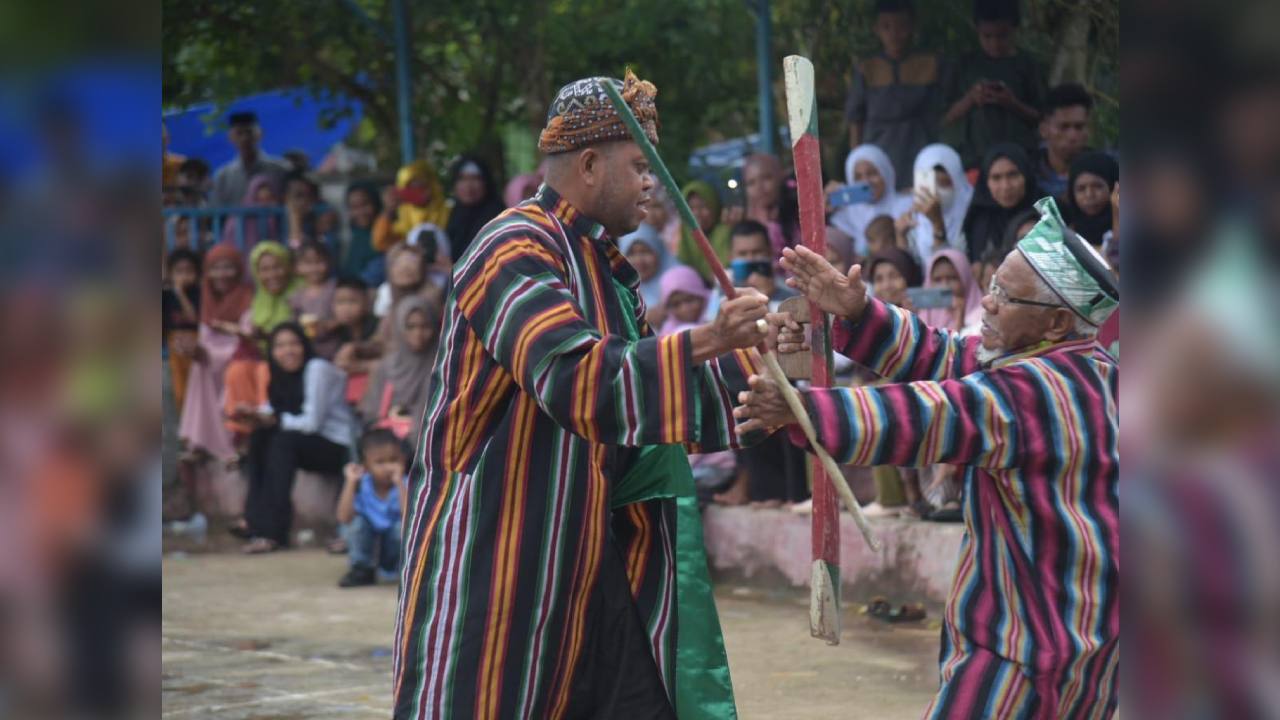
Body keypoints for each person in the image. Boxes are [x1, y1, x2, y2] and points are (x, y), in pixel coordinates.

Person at [394, 71, 770, 719]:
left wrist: (774, 369)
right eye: (640, 164)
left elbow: (647, 401)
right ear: (590, 164)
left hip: (593, 561)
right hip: (500, 560)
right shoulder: (512, 246)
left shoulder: (605, 269)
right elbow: (579, 384)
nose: (654, 182)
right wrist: (710, 339)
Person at [747, 196, 1119, 717]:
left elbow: (926, 415)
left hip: (1029, 647)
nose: (986, 305)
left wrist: (802, 413)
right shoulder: (1091, 366)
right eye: (990, 288)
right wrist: (855, 310)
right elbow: (944, 354)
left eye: (1005, 298)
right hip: (1089, 640)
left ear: (1057, 323)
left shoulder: (1033, 390)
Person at [236, 322, 357, 554]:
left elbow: (312, 423)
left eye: (294, 343)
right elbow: (272, 410)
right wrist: (253, 415)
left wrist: (274, 420)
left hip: (338, 445)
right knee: (260, 436)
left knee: (282, 441)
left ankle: (274, 532)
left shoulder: (317, 368)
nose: (288, 351)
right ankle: (256, 524)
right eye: (280, 346)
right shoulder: (278, 375)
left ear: (305, 345)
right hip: (308, 444)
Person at [844, 0, 943, 186]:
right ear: (876, 29)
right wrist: (856, 159)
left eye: (902, 26)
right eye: (886, 27)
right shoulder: (866, 68)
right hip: (877, 147)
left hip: (918, 146)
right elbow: (855, 119)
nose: (894, 34)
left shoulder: (930, 64)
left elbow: (941, 113)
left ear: (913, 27)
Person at [940, 0, 1046, 168]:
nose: (995, 43)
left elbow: (1044, 118)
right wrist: (970, 99)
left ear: (1015, 29)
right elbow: (944, 117)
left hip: (1022, 160)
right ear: (977, 30)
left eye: (1002, 36)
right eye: (987, 36)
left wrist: (1012, 103)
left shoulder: (1028, 65)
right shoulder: (964, 65)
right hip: (974, 160)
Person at [178, 242, 254, 462]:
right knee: (199, 364)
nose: (222, 274)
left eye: (228, 267)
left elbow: (247, 337)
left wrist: (208, 353)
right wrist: (195, 350)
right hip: (210, 357)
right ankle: (200, 441)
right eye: (215, 268)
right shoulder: (206, 296)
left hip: (240, 353)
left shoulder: (247, 295)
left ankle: (231, 441)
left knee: (218, 365)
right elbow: (205, 336)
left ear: (239, 269)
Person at [221, 241, 302, 441]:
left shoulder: (300, 293)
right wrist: (248, 337)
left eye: (277, 267)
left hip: (294, 360)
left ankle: (266, 424)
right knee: (237, 370)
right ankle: (244, 430)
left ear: (288, 266)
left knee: (264, 370)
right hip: (266, 357)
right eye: (264, 269)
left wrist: (266, 337)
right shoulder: (258, 301)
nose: (272, 275)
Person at [359, 295, 440, 440]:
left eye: (425, 326)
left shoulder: (443, 367)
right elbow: (371, 415)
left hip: (430, 443)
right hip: (388, 444)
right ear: (399, 327)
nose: (418, 334)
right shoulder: (386, 367)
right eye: (410, 327)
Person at [336, 428, 407, 587]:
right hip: (369, 540)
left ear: (402, 460)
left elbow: (410, 517)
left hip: (392, 546)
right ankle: (362, 568)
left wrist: (400, 483)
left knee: (401, 528)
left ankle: (393, 568)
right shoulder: (362, 484)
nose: (388, 467)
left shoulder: (405, 484)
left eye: (393, 460)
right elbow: (343, 518)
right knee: (357, 524)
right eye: (380, 462)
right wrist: (350, 482)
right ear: (366, 465)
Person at [961, 142, 1041, 266]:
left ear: (1026, 175)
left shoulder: (1045, 214)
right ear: (986, 182)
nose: (1005, 186)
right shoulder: (979, 222)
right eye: (996, 178)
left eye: (1013, 175)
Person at [829, 144, 913, 256]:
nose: (866, 182)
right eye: (858, 177)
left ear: (886, 173)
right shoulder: (845, 216)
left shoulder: (907, 206)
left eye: (872, 173)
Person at [896, 143, 974, 263]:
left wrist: (937, 223)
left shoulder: (972, 218)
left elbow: (948, 269)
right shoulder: (912, 221)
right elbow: (905, 273)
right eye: (930, 185)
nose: (936, 193)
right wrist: (901, 236)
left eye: (943, 183)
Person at [209, 111, 290, 209]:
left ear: (260, 134)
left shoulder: (281, 169)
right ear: (230, 137)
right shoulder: (223, 176)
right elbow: (216, 212)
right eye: (239, 133)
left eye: (249, 132)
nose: (245, 138)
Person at [373, 159, 450, 252]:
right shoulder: (402, 221)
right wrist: (388, 210)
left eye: (422, 186)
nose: (417, 190)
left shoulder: (449, 213)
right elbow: (380, 242)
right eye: (411, 187)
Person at [327, 277, 383, 403]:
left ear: (366, 302)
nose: (345, 308)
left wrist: (357, 364)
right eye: (340, 302)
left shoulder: (379, 326)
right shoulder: (335, 331)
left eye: (352, 301)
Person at [444, 154, 506, 263]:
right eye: (462, 179)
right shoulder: (455, 214)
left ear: (486, 183)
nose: (468, 186)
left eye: (475, 179)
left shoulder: (497, 216)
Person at [1035, 84, 1094, 198]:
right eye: (1063, 127)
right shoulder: (1025, 175)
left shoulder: (1107, 172)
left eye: (1079, 127)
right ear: (1044, 130)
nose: (1072, 136)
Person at [163, 248, 202, 414]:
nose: (184, 275)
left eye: (189, 271)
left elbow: (194, 319)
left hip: (196, 344)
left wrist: (180, 294)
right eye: (179, 271)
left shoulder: (198, 293)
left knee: (198, 389)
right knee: (180, 390)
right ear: (171, 274)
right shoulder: (166, 295)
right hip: (175, 346)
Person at [675, 179, 733, 286]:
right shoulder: (683, 234)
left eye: (703, 206)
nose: (697, 213)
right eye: (691, 208)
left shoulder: (725, 233)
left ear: (714, 206)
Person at [288, 241, 338, 353]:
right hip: (309, 350)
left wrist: (330, 325)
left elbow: (345, 316)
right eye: (308, 263)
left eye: (319, 262)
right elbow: (294, 322)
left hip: (334, 347)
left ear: (328, 262)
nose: (314, 268)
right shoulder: (297, 296)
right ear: (298, 267)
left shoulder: (335, 288)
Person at [920, 248, 985, 334]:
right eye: (937, 280)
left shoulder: (982, 318)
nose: (944, 287)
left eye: (952, 278)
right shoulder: (924, 314)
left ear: (965, 278)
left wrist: (959, 320)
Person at [1062, 151, 1119, 248]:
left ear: (1113, 187)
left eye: (1097, 186)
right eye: (1081, 188)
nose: (1089, 195)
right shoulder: (1064, 230)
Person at [618, 223, 675, 319]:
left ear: (658, 251)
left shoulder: (680, 281)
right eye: (631, 254)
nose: (639, 260)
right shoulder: (617, 289)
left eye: (645, 252)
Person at [340, 182, 386, 286]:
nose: (360, 212)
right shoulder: (356, 234)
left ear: (376, 204)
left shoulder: (386, 233)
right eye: (354, 207)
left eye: (365, 205)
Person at [220, 174, 281, 249]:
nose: (266, 193)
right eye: (261, 189)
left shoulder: (275, 213)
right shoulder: (238, 216)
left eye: (268, 189)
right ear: (253, 191)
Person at [283, 171, 338, 248]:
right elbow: (293, 251)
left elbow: (326, 252)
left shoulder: (321, 217)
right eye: (298, 196)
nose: (304, 201)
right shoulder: (277, 219)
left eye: (308, 196)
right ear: (286, 199)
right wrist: (295, 221)